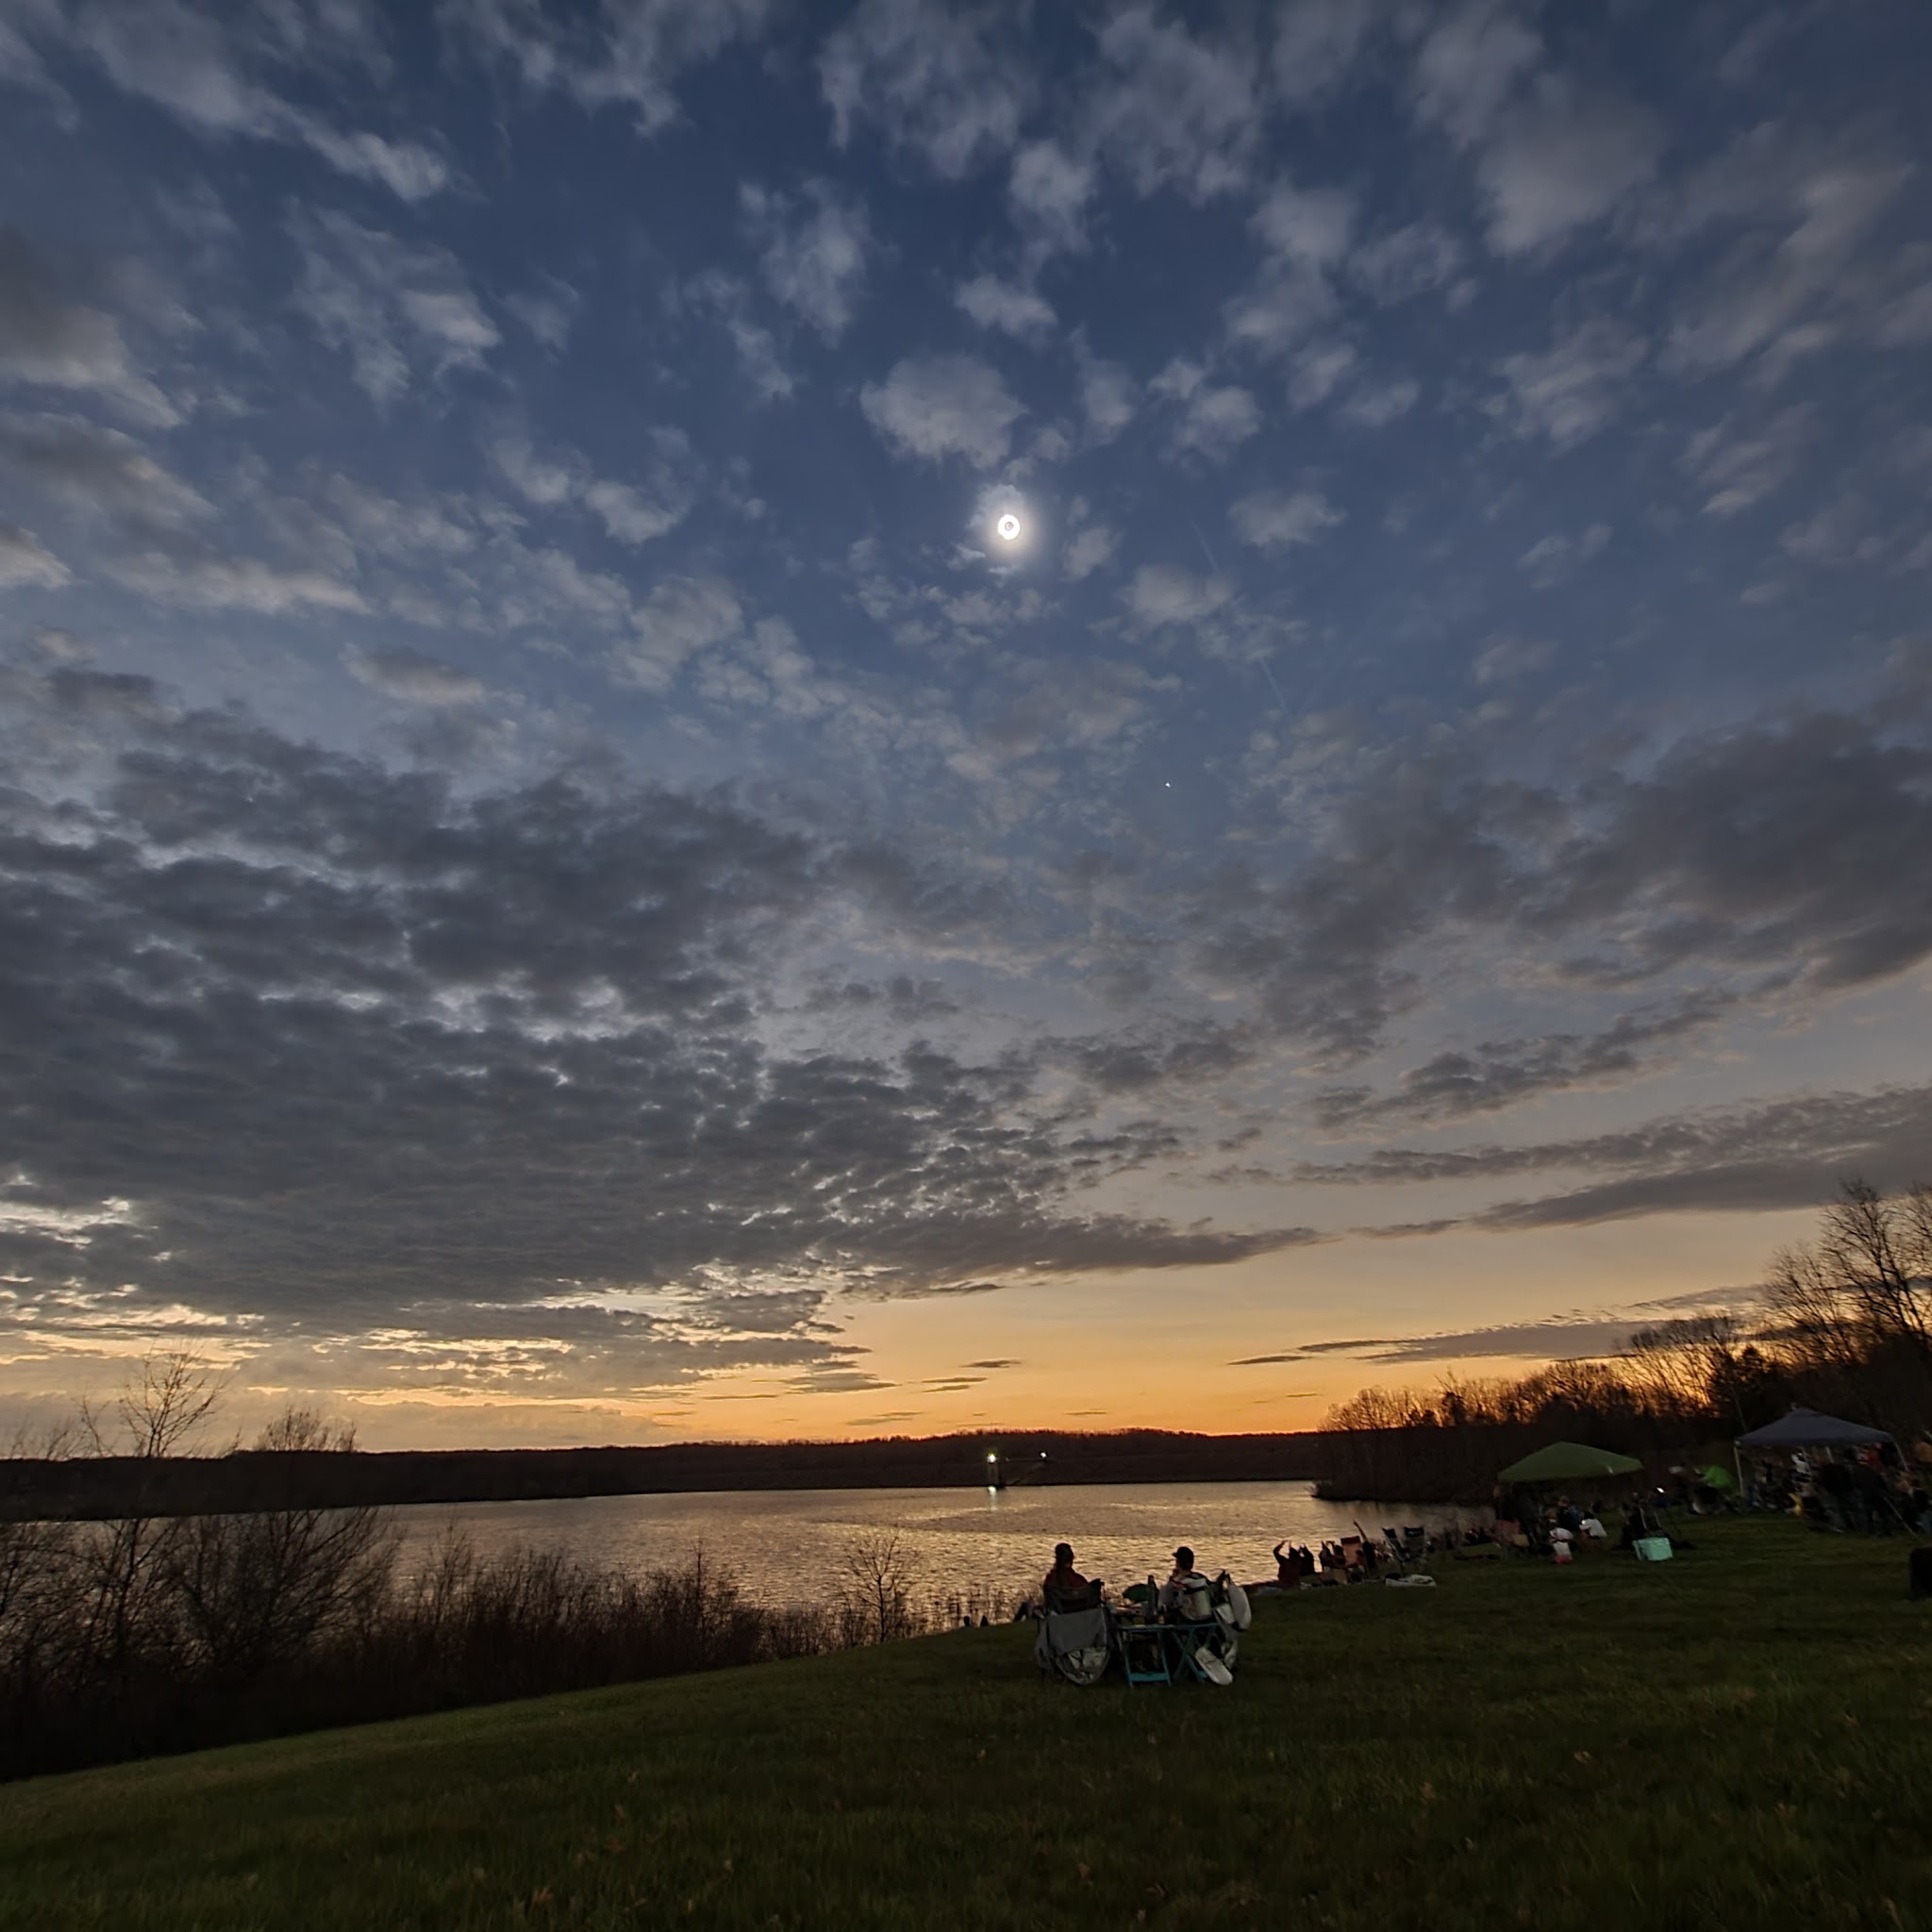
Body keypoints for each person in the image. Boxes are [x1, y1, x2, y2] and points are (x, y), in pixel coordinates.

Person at [1158, 1545, 1211, 1617]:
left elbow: (1164, 1600)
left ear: (1178, 1563)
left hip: (1185, 1618)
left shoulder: (1176, 1583)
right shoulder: (1200, 1577)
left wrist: (1172, 1580)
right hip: (1204, 1616)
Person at [1041, 1541, 1097, 1608]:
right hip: (1078, 1612)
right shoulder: (1077, 1580)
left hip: (1059, 1613)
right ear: (1071, 1559)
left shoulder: (1050, 1579)